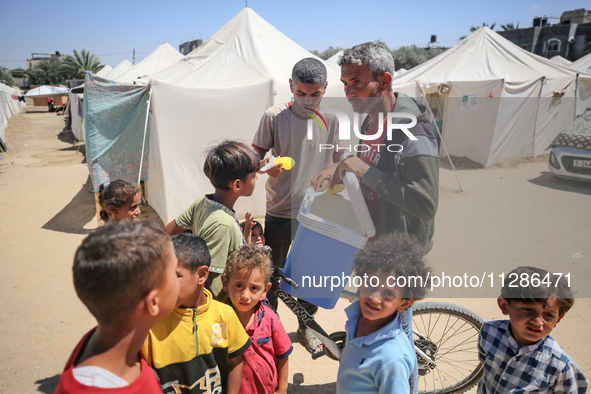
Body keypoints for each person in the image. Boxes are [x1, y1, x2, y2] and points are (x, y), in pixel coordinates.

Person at [312, 42, 439, 392]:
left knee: (395, 332)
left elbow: (425, 202)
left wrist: (363, 171)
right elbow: (368, 158)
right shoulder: (371, 117)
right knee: (373, 321)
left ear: (383, 81)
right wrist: (342, 166)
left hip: (398, 250)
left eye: (357, 82)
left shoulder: (412, 129)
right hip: (376, 241)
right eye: (345, 83)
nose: (349, 91)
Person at [252, 57, 342, 354]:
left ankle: (306, 327)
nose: (307, 100)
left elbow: (342, 161)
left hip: (318, 213)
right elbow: (255, 158)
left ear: (325, 88)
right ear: (290, 86)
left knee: (311, 276)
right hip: (279, 210)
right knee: (272, 275)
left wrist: (337, 172)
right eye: (300, 93)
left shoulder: (333, 118)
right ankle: (271, 328)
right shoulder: (274, 116)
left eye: (314, 94)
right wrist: (265, 167)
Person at [55, 220, 180, 393]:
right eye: (175, 272)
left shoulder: (107, 338)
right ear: (153, 302)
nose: (178, 278)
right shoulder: (94, 387)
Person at [142, 233, 251, 394]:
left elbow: (235, 363)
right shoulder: (150, 325)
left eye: (175, 275)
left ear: (201, 275)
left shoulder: (224, 315)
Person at [165, 140, 260, 301]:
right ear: (237, 185)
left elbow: (169, 231)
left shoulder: (203, 201)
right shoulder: (223, 225)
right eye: (253, 176)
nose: (256, 178)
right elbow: (210, 283)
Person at [336, 232, 430, 393]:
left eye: (388, 293)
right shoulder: (357, 318)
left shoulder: (391, 358)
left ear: (405, 302)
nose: (374, 297)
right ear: (360, 279)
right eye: (371, 283)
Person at [477, 266, 588, 393]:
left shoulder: (560, 366)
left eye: (548, 315)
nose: (538, 322)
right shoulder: (489, 332)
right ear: (504, 306)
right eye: (528, 309)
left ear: (558, 319)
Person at [222, 244, 292, 394]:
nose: (245, 296)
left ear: (265, 290)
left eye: (254, 288)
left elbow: (283, 355)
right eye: (239, 285)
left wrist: (282, 389)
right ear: (225, 283)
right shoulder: (218, 320)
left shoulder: (270, 319)